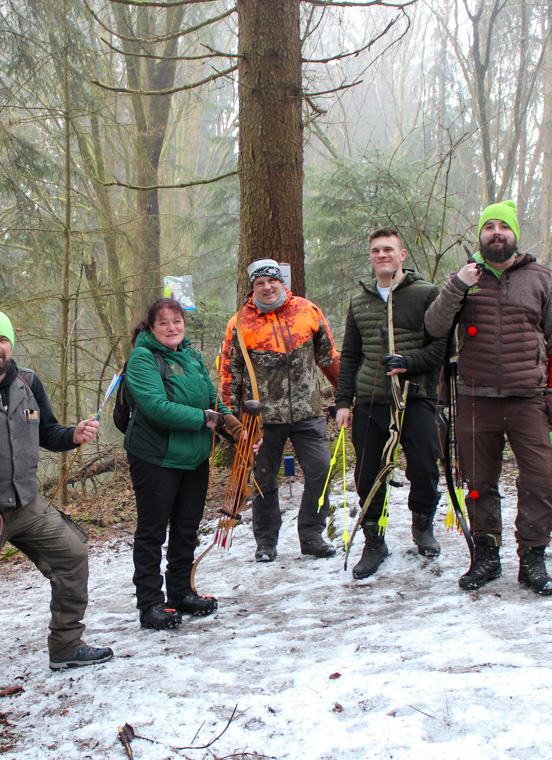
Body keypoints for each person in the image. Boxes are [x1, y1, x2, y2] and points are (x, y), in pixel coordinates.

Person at [0, 310, 112, 698]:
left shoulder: (27, 382)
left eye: (2, 340)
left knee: (73, 554)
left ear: (11, 344)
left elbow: (48, 432)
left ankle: (66, 646)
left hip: (27, 504)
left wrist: (74, 434)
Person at [424, 200, 552, 595]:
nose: (496, 233)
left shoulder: (540, 278)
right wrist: (458, 284)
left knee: (541, 479)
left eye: (503, 227)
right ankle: (486, 558)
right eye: (488, 227)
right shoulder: (463, 279)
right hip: (475, 399)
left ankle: (533, 559)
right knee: (478, 483)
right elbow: (434, 327)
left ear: (514, 235)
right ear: (481, 236)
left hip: (530, 399)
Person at [334, 227, 445, 579]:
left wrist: (409, 363)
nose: (382, 255)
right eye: (376, 250)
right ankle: (374, 541)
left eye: (388, 249)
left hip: (416, 396)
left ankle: (422, 527)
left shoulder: (427, 294)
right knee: (368, 474)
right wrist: (343, 402)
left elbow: (443, 347)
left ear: (402, 255)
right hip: (371, 400)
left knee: (424, 466)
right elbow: (350, 355)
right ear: (371, 257)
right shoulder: (360, 302)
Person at [122, 298, 238, 630]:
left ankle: (181, 592)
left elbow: (211, 399)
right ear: (151, 327)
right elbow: (156, 408)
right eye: (164, 323)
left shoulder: (192, 356)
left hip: (194, 457)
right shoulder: (142, 358)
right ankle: (150, 604)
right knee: (152, 531)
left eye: (177, 321)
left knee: (187, 527)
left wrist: (236, 429)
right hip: (156, 457)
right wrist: (208, 418)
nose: (172, 328)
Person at [219, 258, 341, 562]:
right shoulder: (239, 324)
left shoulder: (307, 311)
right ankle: (265, 542)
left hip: (307, 413)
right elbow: (230, 376)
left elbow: (329, 358)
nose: (267, 287)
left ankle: (312, 536)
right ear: (253, 288)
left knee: (320, 471)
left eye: (272, 281)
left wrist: (346, 396)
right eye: (260, 283)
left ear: (281, 282)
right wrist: (231, 424)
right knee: (263, 479)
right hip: (261, 419)